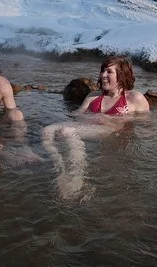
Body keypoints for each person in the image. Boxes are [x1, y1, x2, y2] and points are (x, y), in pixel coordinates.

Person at [42, 56, 149, 200]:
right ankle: (59, 166)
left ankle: (77, 177)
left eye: (109, 72)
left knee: (67, 132)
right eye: (102, 71)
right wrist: (88, 117)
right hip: (89, 127)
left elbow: (146, 124)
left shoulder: (135, 98)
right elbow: (76, 116)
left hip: (112, 132)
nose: (103, 75)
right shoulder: (93, 96)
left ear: (122, 75)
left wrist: (112, 119)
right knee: (47, 130)